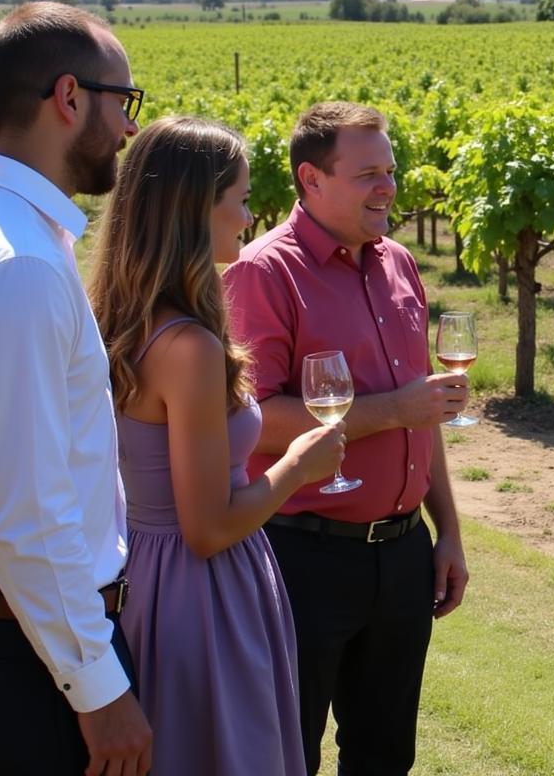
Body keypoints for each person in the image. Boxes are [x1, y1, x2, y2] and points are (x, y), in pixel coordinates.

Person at [88, 116, 345, 775]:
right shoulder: (189, 348)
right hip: (201, 596)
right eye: (241, 194)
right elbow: (206, 527)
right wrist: (296, 466)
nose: (250, 213)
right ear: (197, 207)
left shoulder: (123, 320)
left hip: (146, 577)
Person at [223, 100, 469, 776]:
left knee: (386, 755)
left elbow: (423, 415)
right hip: (304, 556)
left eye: (389, 170)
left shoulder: (399, 263)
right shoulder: (263, 272)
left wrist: (445, 531)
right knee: (289, 751)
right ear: (312, 179)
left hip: (401, 554)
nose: (388, 187)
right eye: (368, 175)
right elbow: (256, 417)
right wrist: (392, 409)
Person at [0, 1, 152, 775]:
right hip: (35, 658)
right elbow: (25, 510)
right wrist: (98, 689)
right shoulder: (20, 264)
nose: (129, 128)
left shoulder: (25, 240)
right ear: (68, 98)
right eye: (124, 101)